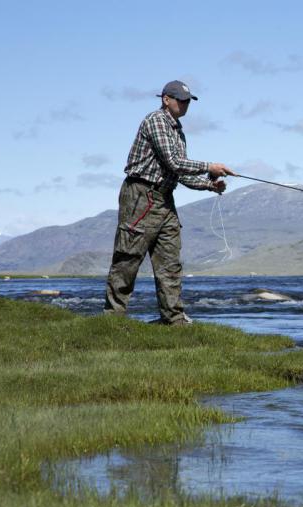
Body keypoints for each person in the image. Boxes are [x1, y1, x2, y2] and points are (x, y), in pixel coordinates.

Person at [104, 80, 234, 325]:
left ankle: (173, 320)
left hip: (165, 198)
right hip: (140, 197)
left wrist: (210, 184)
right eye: (180, 100)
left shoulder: (178, 131)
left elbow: (179, 173)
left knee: (170, 263)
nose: (185, 105)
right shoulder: (155, 121)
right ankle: (113, 319)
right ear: (166, 99)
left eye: (188, 101)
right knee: (128, 259)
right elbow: (174, 162)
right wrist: (210, 166)